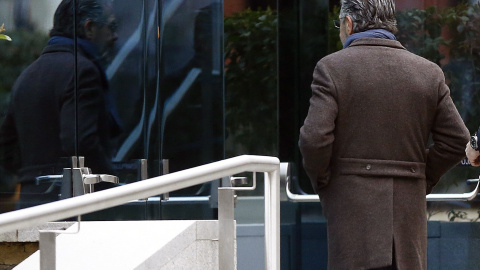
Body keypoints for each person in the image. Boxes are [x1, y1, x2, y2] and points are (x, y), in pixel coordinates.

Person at [298, 0, 469, 269]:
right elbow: (458, 141)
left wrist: (325, 181)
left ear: (349, 24)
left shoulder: (332, 68)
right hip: (407, 223)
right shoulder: (428, 72)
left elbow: (313, 139)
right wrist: (420, 175)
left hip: (352, 220)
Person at [0, 0, 122, 208]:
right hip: (73, 204)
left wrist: (35, 176)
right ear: (89, 28)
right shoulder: (82, 70)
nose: (115, 36)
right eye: (110, 27)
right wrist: (114, 185)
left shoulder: (29, 74)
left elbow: (5, 146)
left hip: (31, 201)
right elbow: (80, 141)